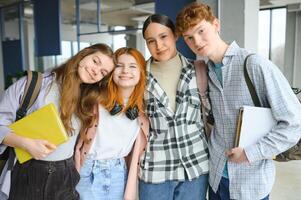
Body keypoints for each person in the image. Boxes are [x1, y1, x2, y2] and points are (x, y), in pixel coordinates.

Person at [176, 2, 301, 200]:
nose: (197, 41)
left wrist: (251, 153)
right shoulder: (205, 72)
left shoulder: (254, 65)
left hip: (250, 182)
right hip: (216, 180)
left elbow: (295, 124)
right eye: (189, 38)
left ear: (216, 25)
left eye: (201, 31)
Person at [0, 43, 115, 200]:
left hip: (65, 172)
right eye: (95, 61)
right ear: (83, 55)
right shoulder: (33, 84)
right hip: (28, 171)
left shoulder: (88, 99)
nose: (96, 71)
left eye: (103, 72)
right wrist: (25, 143)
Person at [139, 14, 209, 200]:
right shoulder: (138, 78)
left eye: (164, 37)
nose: (159, 46)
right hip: (155, 170)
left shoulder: (199, 71)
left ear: (175, 35)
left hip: (195, 167)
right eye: (151, 41)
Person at [75, 47, 149, 200]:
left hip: (118, 172)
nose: (125, 71)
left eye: (132, 66)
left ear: (141, 72)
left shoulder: (144, 109)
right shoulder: (93, 97)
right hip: (87, 169)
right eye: (119, 65)